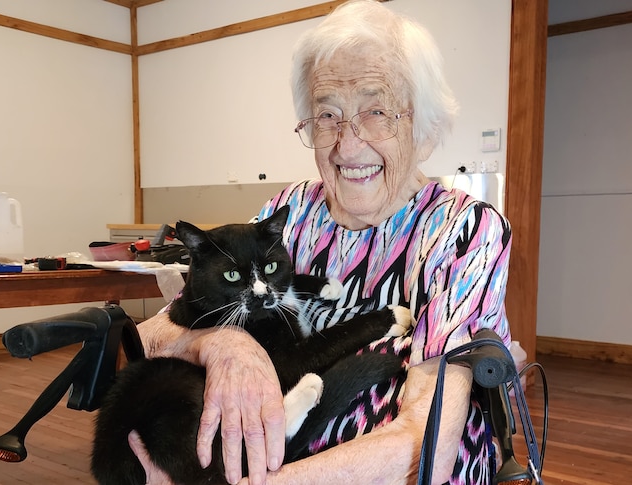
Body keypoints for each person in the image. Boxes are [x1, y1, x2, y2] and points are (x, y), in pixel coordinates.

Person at [133, 1, 512, 484]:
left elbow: (427, 444)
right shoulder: (287, 212)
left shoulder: (463, 230)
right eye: (327, 116)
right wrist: (221, 344)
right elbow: (151, 338)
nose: (347, 146)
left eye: (376, 111)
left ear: (422, 122)